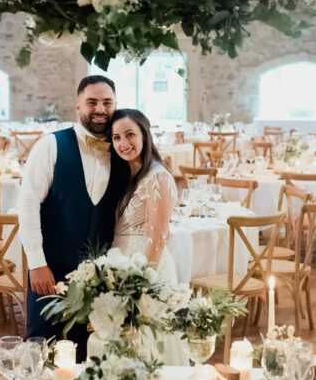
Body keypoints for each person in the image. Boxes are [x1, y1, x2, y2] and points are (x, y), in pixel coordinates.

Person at [17, 75, 130, 358]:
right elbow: (28, 203)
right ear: (78, 106)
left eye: (107, 102)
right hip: (50, 269)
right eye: (92, 102)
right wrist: (36, 263)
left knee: (87, 355)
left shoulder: (123, 153)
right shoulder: (51, 145)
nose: (100, 109)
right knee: (41, 349)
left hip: (98, 279)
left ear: (116, 106)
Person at [110, 108, 190, 365]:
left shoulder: (158, 177)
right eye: (117, 137)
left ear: (145, 134)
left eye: (130, 134)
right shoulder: (129, 174)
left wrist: (137, 288)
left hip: (147, 274)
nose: (124, 143)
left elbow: (156, 242)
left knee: (150, 353)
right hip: (122, 270)